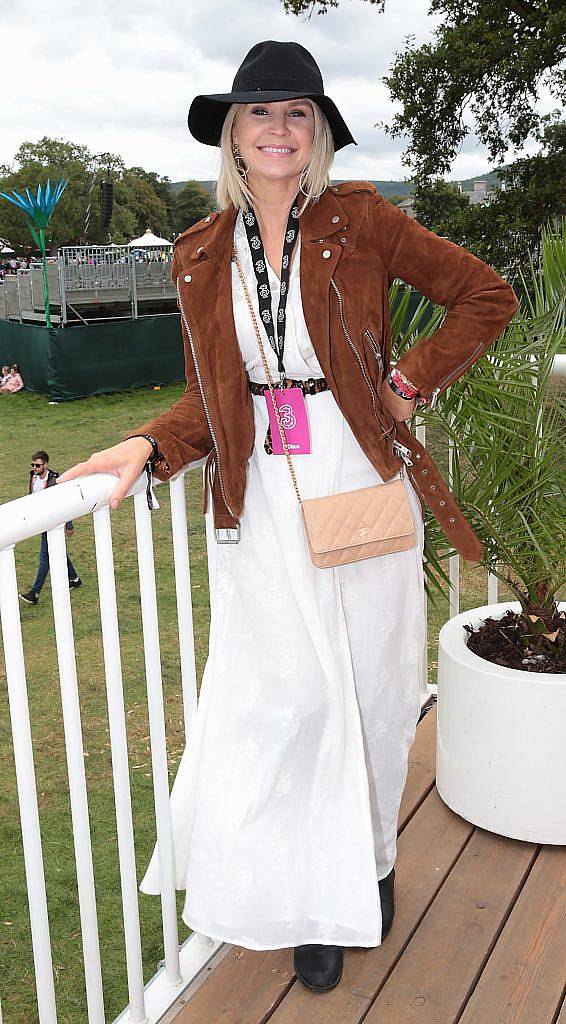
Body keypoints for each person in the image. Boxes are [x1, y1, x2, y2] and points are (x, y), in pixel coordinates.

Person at [57, 40, 518, 993]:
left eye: (297, 112)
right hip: (260, 491)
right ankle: (305, 881)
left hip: (357, 471)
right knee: (289, 695)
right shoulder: (194, 252)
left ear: (318, 135)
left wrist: (409, 380)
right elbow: (208, 400)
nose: (278, 128)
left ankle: (367, 866)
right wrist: (151, 445)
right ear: (233, 134)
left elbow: (486, 295)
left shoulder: (363, 220)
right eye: (259, 113)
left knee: (375, 684)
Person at [19, 451, 82, 605]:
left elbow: (64, 503)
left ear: (46, 465)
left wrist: (69, 524)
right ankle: (74, 578)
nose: (34, 468)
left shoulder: (55, 480)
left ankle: (34, 592)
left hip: (53, 521)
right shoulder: (33, 477)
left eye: (38, 465)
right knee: (58, 551)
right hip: (42, 521)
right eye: (33, 465)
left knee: (44, 558)